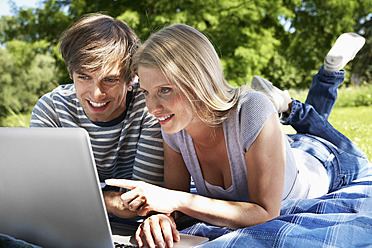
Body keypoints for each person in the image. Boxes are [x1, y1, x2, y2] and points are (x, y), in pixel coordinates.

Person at [106, 26, 369, 248]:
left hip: (324, 162)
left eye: (165, 90)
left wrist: (178, 201)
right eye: (146, 92)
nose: (153, 108)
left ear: (200, 80)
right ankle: (289, 105)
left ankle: (313, 88)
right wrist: (161, 218)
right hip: (279, 150)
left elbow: (266, 213)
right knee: (301, 134)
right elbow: (175, 200)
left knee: (346, 147)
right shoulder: (173, 127)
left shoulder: (252, 109)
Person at [30, 13, 164, 220]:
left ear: (131, 78)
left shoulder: (149, 106)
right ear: (70, 72)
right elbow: (44, 193)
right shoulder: (51, 109)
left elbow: (140, 203)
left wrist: (87, 199)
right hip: (74, 220)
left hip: (131, 225)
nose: (96, 94)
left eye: (110, 80)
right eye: (84, 77)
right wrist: (108, 200)